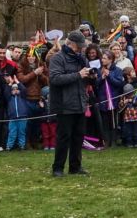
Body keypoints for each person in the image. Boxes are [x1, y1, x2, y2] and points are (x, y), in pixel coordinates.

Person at [49, 30, 92, 177]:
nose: (80, 49)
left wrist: (92, 76)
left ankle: (75, 167)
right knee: (63, 137)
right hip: (64, 104)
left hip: (80, 103)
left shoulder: (81, 59)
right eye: (78, 46)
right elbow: (55, 79)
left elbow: (85, 79)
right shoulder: (57, 58)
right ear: (70, 43)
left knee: (78, 137)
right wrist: (78, 75)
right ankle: (58, 168)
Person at [96, 51, 125, 148]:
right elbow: (96, 85)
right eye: (102, 58)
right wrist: (101, 78)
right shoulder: (99, 70)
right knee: (105, 121)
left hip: (113, 99)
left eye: (104, 58)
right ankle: (106, 141)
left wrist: (110, 76)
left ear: (110, 60)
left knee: (113, 121)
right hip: (103, 99)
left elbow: (119, 84)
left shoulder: (118, 70)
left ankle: (114, 140)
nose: (102, 60)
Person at [5, 78, 30, 151]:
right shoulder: (9, 98)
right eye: (13, 89)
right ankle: (9, 146)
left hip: (22, 117)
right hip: (12, 118)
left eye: (17, 88)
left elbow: (24, 89)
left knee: (21, 132)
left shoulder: (22, 96)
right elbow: (6, 92)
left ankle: (21, 145)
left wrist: (17, 82)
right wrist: (10, 83)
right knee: (12, 133)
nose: (15, 90)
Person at [119, 83, 137, 148]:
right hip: (127, 118)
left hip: (136, 117)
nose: (129, 95)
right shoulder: (123, 97)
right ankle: (129, 143)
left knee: (136, 131)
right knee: (128, 131)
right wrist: (124, 102)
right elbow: (120, 106)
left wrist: (132, 101)